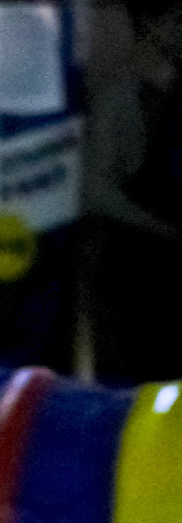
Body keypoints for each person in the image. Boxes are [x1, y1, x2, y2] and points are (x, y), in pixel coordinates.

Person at [86, 0, 182, 383]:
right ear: (149, 26)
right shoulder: (121, 97)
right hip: (135, 270)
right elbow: (97, 192)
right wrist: (166, 230)